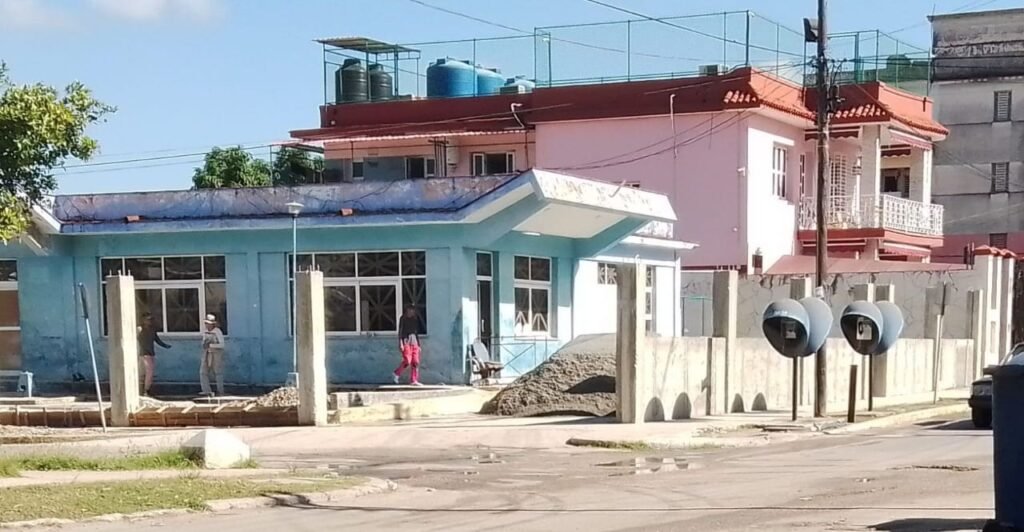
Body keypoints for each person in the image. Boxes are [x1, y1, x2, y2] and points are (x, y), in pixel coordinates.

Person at [137, 313, 170, 396]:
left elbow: (157, 340)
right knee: (144, 373)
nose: (149, 321)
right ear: (143, 320)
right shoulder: (140, 330)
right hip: (143, 354)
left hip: (151, 354)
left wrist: (165, 346)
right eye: (147, 320)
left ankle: (146, 389)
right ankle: (143, 390)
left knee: (150, 373)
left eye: (150, 320)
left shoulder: (152, 330)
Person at [393, 305, 422, 386]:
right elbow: (400, 331)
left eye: (413, 311)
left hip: (414, 341)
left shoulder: (415, 319)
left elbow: (416, 332)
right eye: (410, 310)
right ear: (407, 310)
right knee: (407, 360)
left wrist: (418, 344)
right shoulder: (403, 318)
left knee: (415, 361)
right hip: (406, 341)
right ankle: (396, 373)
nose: (412, 312)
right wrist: (400, 343)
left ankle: (414, 380)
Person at [200, 314, 226, 396]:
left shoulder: (217, 331)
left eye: (208, 323)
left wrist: (211, 345)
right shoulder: (205, 331)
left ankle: (220, 391)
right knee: (203, 372)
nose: (207, 325)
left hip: (216, 354)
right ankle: (206, 391)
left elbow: (222, 345)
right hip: (207, 353)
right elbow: (203, 342)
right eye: (206, 323)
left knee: (218, 372)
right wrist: (204, 345)